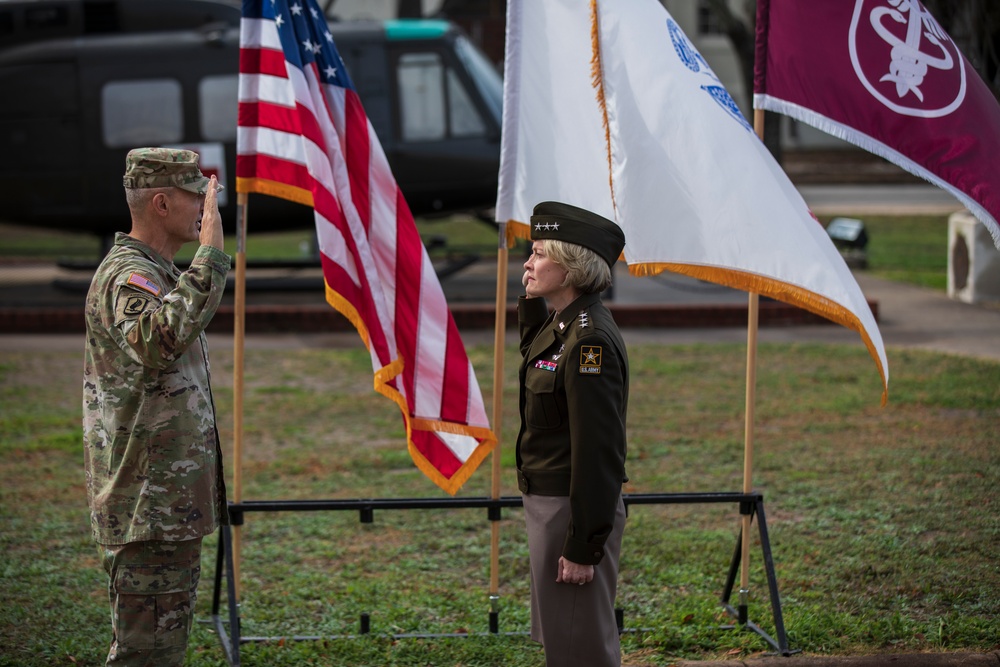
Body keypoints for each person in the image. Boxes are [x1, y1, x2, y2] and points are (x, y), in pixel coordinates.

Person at [82, 147, 231, 666]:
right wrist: (210, 256)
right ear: (162, 203)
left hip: (167, 505)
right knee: (145, 656)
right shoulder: (129, 276)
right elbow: (156, 339)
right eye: (198, 197)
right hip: (148, 505)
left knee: (159, 651)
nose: (206, 210)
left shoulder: (158, 273)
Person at [516, 201, 630, 667]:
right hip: (551, 504)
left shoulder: (590, 342)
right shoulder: (563, 324)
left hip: (569, 509)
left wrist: (583, 546)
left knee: (580, 648)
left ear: (570, 268)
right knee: (564, 641)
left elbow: (598, 453)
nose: (527, 262)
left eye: (539, 254)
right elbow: (535, 358)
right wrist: (529, 299)